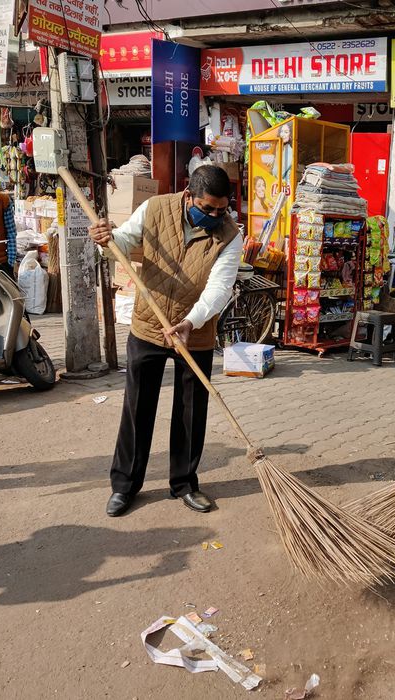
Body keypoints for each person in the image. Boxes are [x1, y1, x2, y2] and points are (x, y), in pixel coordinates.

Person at [88, 165, 243, 518]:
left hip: (196, 331)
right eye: (208, 209)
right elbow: (123, 244)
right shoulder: (155, 208)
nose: (216, 216)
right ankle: (125, 485)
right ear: (189, 196)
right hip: (148, 324)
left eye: (222, 210)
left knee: (191, 410)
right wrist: (106, 241)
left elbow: (220, 287)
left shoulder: (230, 235)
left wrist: (192, 321)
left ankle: (185, 484)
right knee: (137, 407)